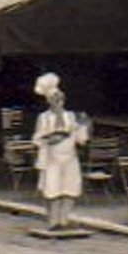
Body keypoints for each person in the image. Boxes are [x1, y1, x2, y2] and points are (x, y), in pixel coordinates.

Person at [31, 71, 89, 230]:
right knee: (52, 189)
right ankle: (53, 221)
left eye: (60, 100)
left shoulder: (71, 116)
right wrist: (49, 139)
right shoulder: (43, 118)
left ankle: (63, 220)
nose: (57, 103)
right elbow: (36, 138)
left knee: (69, 188)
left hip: (69, 157)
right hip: (52, 158)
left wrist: (84, 126)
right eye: (54, 100)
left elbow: (80, 138)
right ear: (49, 102)